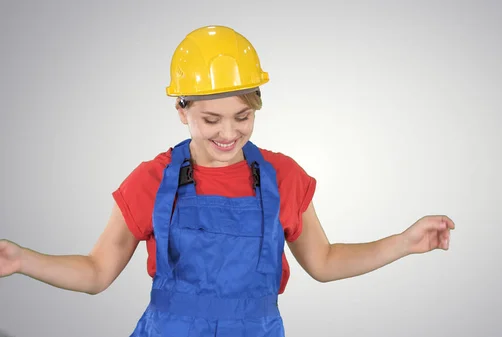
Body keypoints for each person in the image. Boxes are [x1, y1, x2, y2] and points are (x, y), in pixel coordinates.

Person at [0, 25, 455, 336]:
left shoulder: (284, 177)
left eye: (243, 116)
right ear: (181, 110)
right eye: (210, 118)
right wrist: (21, 260)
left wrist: (403, 242)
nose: (228, 133)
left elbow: (325, 262)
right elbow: (98, 272)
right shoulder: (152, 180)